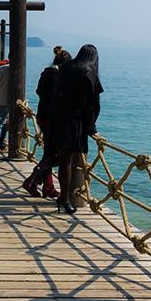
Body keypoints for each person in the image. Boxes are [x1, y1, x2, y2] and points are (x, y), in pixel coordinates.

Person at [48, 44, 103, 215]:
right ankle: (65, 199)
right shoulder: (89, 73)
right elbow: (93, 105)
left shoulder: (65, 68)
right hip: (75, 122)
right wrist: (92, 127)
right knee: (69, 160)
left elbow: (56, 94)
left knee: (64, 160)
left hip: (58, 118)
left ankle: (63, 197)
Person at [22, 47, 72, 198]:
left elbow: (38, 91)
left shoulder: (46, 73)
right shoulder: (58, 77)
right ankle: (32, 180)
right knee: (58, 154)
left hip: (42, 116)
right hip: (53, 119)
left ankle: (47, 187)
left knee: (49, 152)